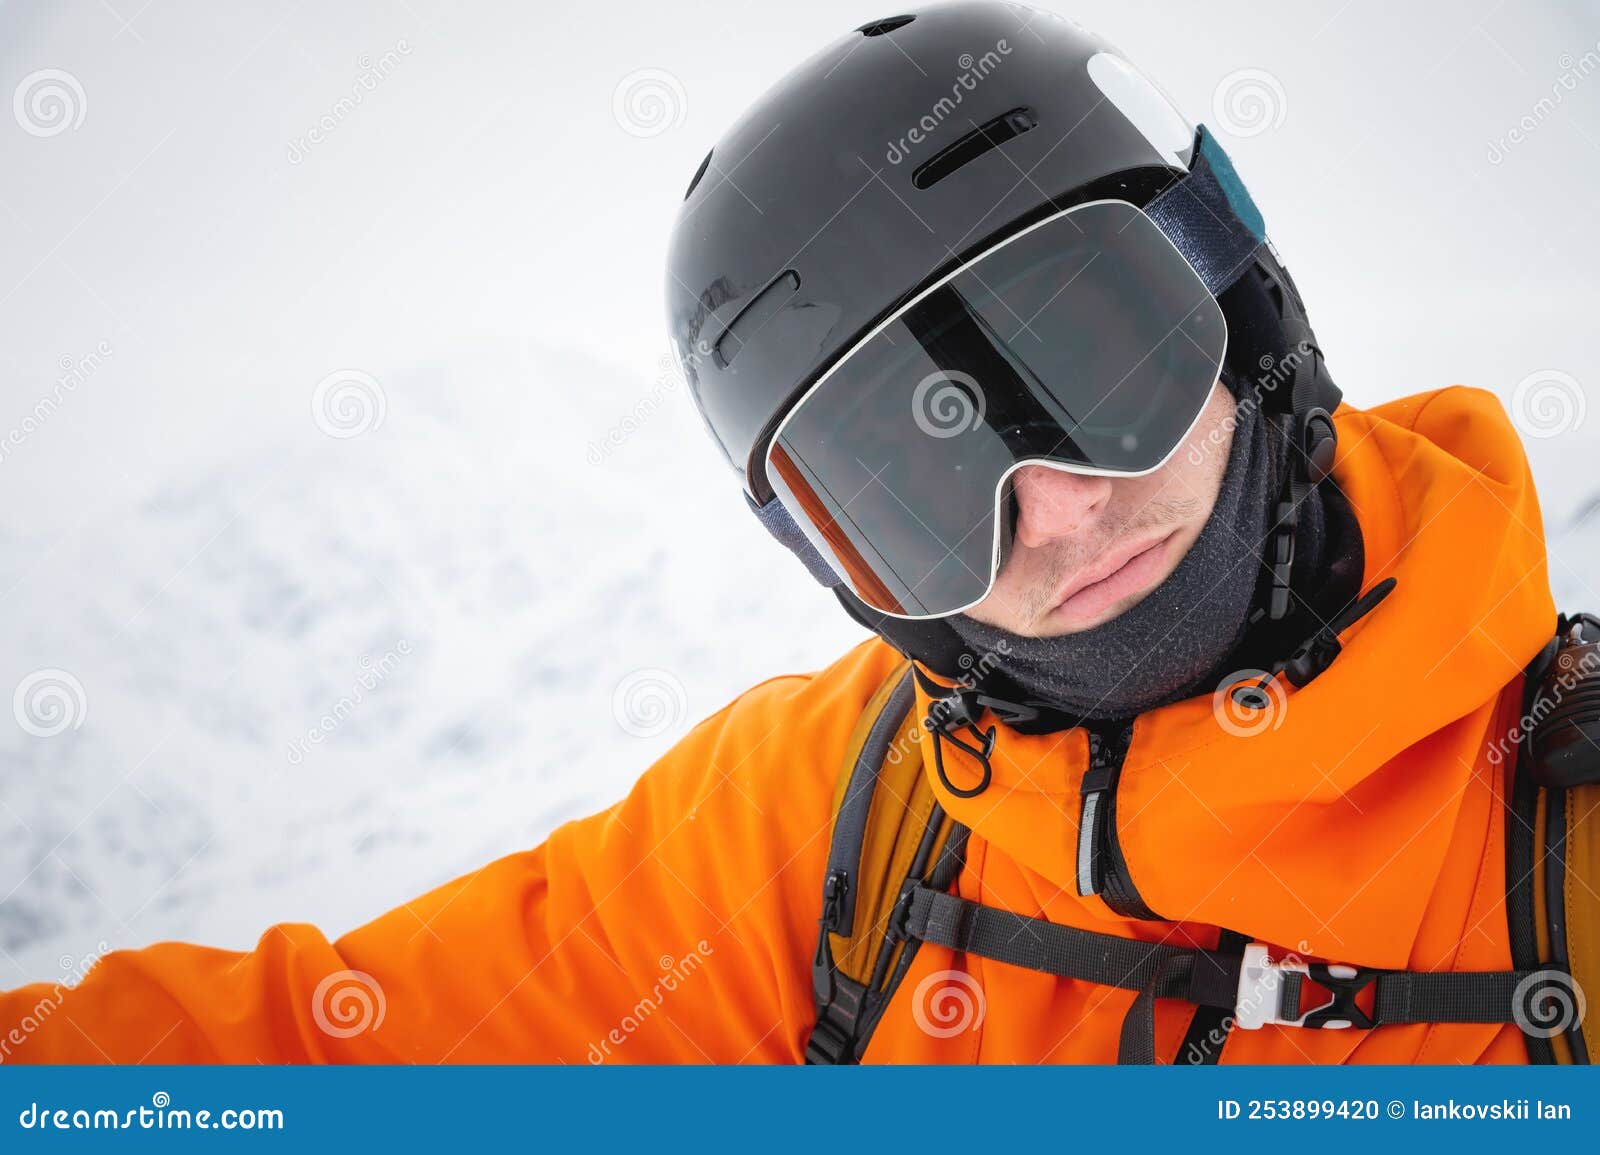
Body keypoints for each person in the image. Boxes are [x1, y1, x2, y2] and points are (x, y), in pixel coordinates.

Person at [2, 2, 1591, 1066]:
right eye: (912, 485)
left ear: (1238, 308)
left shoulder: (1564, 852)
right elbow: (344, 1057)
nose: (1050, 511)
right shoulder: (847, 827)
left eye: (1097, 361)